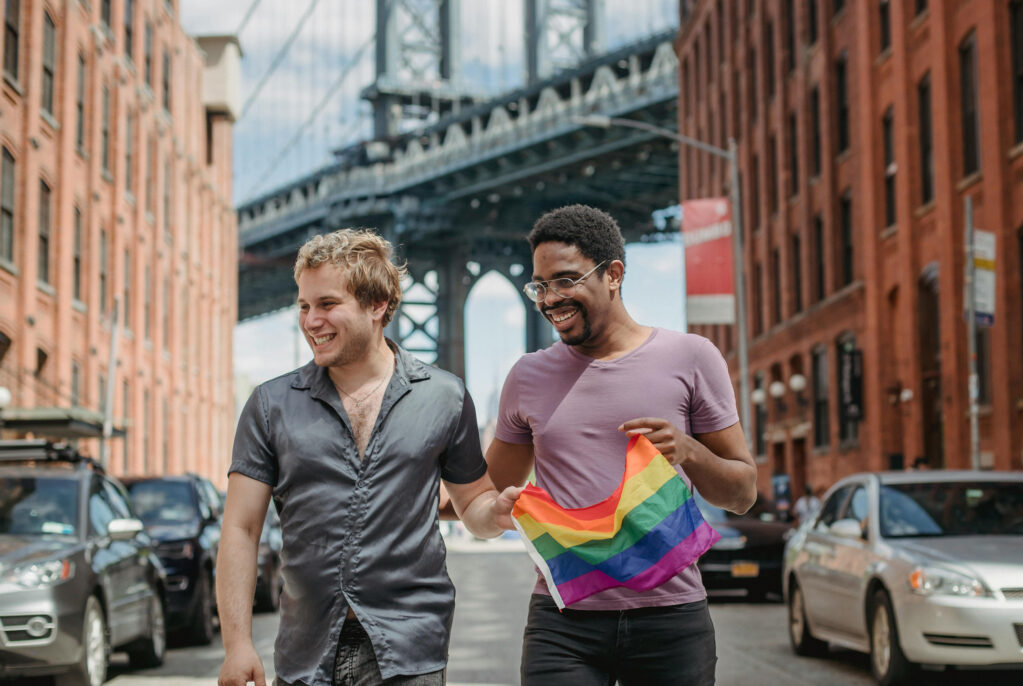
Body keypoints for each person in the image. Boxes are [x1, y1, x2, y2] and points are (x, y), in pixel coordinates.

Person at [217, 229, 521, 686]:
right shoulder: (269, 404)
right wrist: (237, 644)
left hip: (409, 649)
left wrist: (495, 513)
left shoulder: (445, 396)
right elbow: (241, 527)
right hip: (306, 652)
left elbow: (473, 502)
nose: (311, 321)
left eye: (327, 304)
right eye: (304, 306)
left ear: (377, 305)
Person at [484, 205, 757, 685]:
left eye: (565, 281)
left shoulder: (690, 358)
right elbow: (482, 495)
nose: (549, 299)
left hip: (671, 621)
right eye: (539, 286)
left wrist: (689, 452)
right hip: (562, 621)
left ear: (613, 274)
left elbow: (742, 494)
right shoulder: (527, 376)